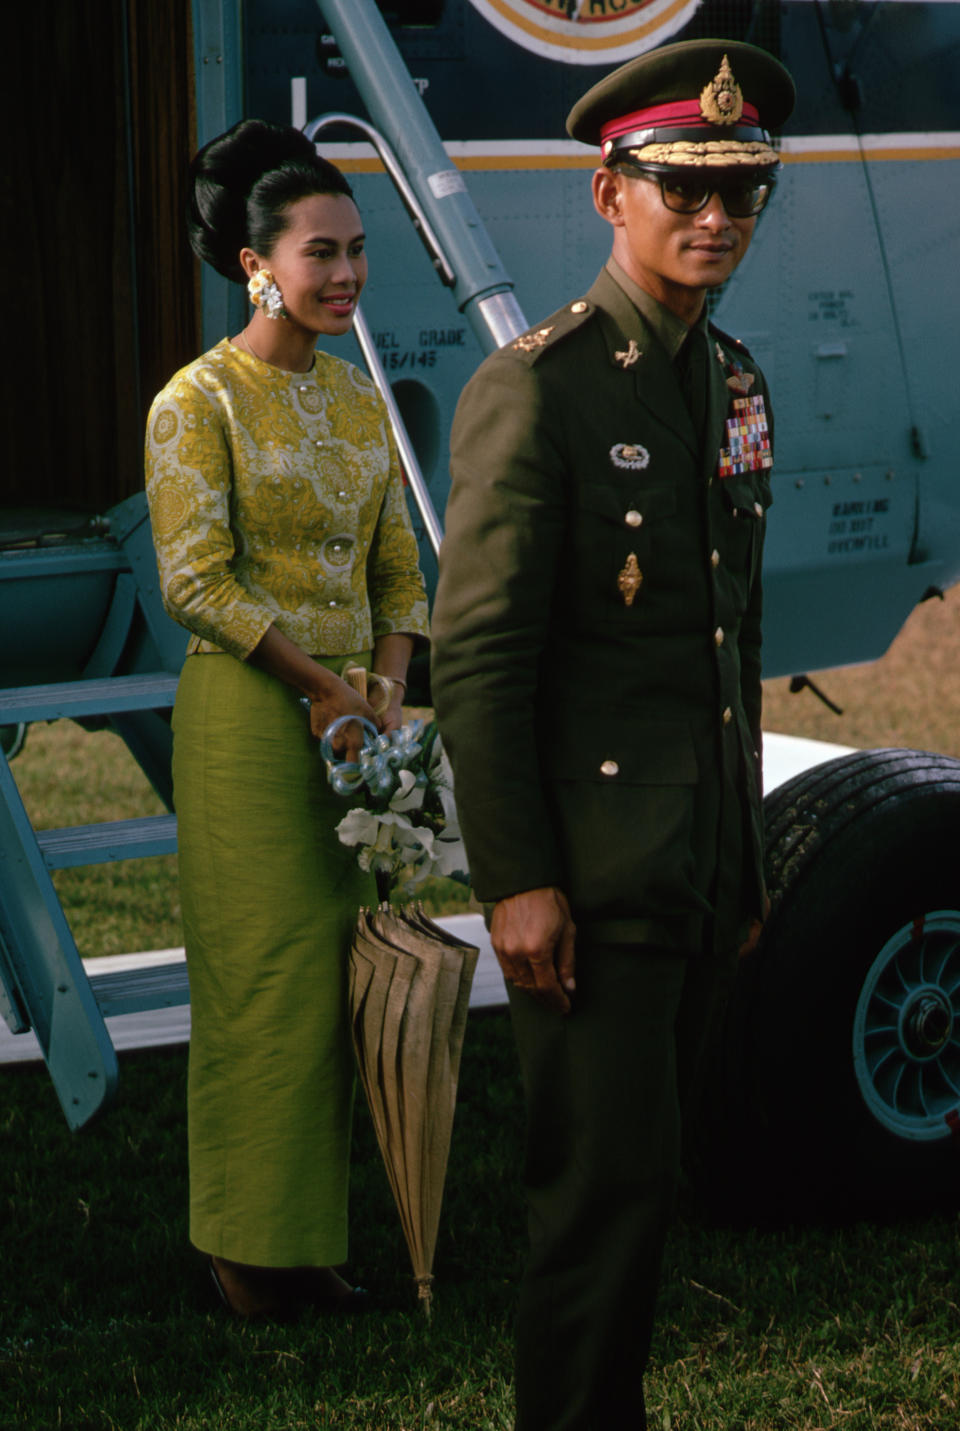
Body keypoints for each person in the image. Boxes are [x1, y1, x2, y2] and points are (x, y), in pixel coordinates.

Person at [431, 38, 794, 1429]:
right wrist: (514, 877)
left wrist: (744, 865)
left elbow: (730, 645)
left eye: (740, 193)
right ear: (609, 194)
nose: (714, 219)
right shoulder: (542, 386)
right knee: (595, 1202)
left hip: (691, 864)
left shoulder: (732, 377)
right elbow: (480, 656)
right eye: (681, 189)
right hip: (584, 878)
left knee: (647, 1193)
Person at [145, 119, 429, 1319]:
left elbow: (402, 572)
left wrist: (390, 694)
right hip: (252, 726)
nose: (348, 275)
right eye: (322, 253)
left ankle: (309, 1245)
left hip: (354, 732)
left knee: (335, 987)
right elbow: (195, 581)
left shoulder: (362, 405)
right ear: (257, 262)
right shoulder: (195, 400)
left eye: (357, 251)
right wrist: (329, 693)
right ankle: (244, 1254)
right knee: (261, 983)